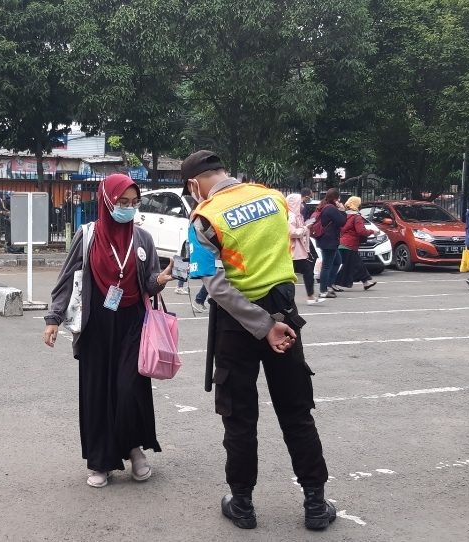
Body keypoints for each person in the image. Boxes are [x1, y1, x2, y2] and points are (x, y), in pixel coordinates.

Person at [182, 150, 335, 531]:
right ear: (224, 171)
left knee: (239, 416)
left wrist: (261, 324)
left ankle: (243, 504)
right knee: (296, 411)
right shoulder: (274, 198)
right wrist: (272, 320)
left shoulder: (204, 218)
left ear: (193, 185)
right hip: (284, 315)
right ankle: (315, 504)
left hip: (238, 324)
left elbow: (216, 286)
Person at [43, 174, 175, 488]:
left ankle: (134, 449)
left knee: (128, 390)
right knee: (97, 393)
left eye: (133, 203)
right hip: (96, 326)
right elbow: (67, 280)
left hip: (133, 323)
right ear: (106, 201)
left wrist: (161, 280)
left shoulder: (142, 239)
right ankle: (100, 462)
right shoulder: (87, 235)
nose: (128, 209)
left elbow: (148, 282)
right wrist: (53, 318)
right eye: (122, 203)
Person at [286, 194, 325, 305]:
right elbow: (292, 232)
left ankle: (310, 296)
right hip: (295, 249)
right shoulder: (292, 216)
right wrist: (305, 227)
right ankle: (310, 297)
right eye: (300, 202)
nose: (302, 205)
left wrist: (306, 225)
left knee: (300, 272)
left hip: (297, 248)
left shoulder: (297, 216)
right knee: (307, 271)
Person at [335, 197, 377, 291]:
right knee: (346, 266)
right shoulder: (357, 217)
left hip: (342, 243)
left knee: (357, 264)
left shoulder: (344, 215)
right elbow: (361, 231)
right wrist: (372, 232)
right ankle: (332, 283)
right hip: (350, 244)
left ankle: (366, 282)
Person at [315, 189, 347, 299]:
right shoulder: (331, 208)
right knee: (327, 266)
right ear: (335, 199)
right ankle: (323, 290)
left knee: (337, 261)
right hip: (329, 241)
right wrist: (342, 211)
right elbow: (342, 222)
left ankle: (329, 285)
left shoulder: (325, 206)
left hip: (326, 240)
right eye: (338, 199)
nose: (339, 201)